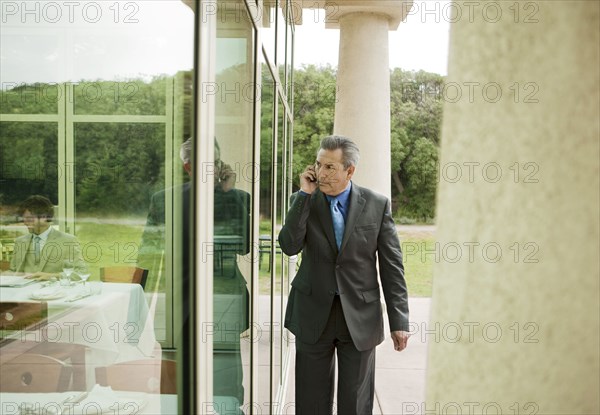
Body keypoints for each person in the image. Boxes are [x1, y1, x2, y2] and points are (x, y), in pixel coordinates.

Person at [278, 135, 410, 414]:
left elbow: (392, 266)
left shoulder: (376, 204)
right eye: (319, 165)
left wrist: (399, 320)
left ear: (350, 170)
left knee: (356, 403)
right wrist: (304, 195)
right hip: (313, 314)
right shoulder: (303, 201)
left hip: (360, 316)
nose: (321, 173)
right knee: (311, 402)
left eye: (330, 167)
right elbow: (289, 246)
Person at [7, 195, 87, 279]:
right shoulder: (20, 241)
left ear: (44, 217)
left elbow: (82, 272)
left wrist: (53, 276)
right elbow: (13, 271)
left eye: (29, 218)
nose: (25, 223)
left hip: (52, 291)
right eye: (24, 219)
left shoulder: (68, 240)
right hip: (23, 291)